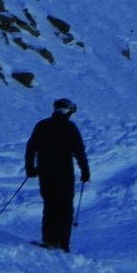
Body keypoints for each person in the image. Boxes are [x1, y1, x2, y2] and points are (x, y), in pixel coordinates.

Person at [25, 98, 90, 251]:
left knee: (50, 206)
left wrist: (30, 168)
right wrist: (85, 171)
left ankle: (49, 240)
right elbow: (79, 151)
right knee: (65, 208)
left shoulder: (42, 125)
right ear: (68, 111)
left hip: (45, 173)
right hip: (64, 174)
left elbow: (31, 148)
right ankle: (63, 244)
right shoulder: (70, 127)